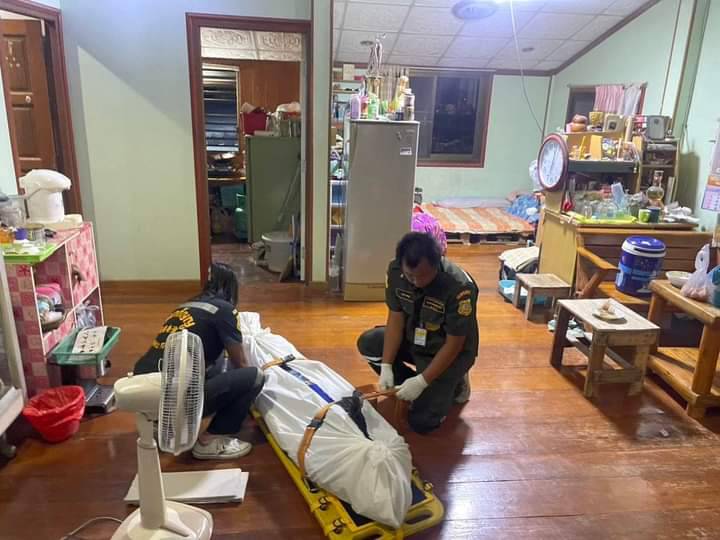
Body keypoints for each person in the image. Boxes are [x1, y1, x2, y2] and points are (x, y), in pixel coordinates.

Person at [134, 263, 264, 460]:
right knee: (255, 377)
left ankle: (158, 423)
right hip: (175, 397)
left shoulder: (184, 307)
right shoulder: (226, 310)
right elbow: (241, 364)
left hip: (146, 393)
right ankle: (209, 441)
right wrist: (251, 399)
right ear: (231, 287)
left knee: (216, 361)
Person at [357, 232, 478, 434]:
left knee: (422, 423)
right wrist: (386, 365)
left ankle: (455, 383)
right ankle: (413, 384)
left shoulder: (459, 286)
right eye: (411, 276)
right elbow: (396, 317)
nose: (416, 282)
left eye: (423, 276)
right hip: (415, 337)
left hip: (448, 350)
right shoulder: (395, 271)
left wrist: (423, 381)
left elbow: (455, 343)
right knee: (369, 343)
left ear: (437, 264)